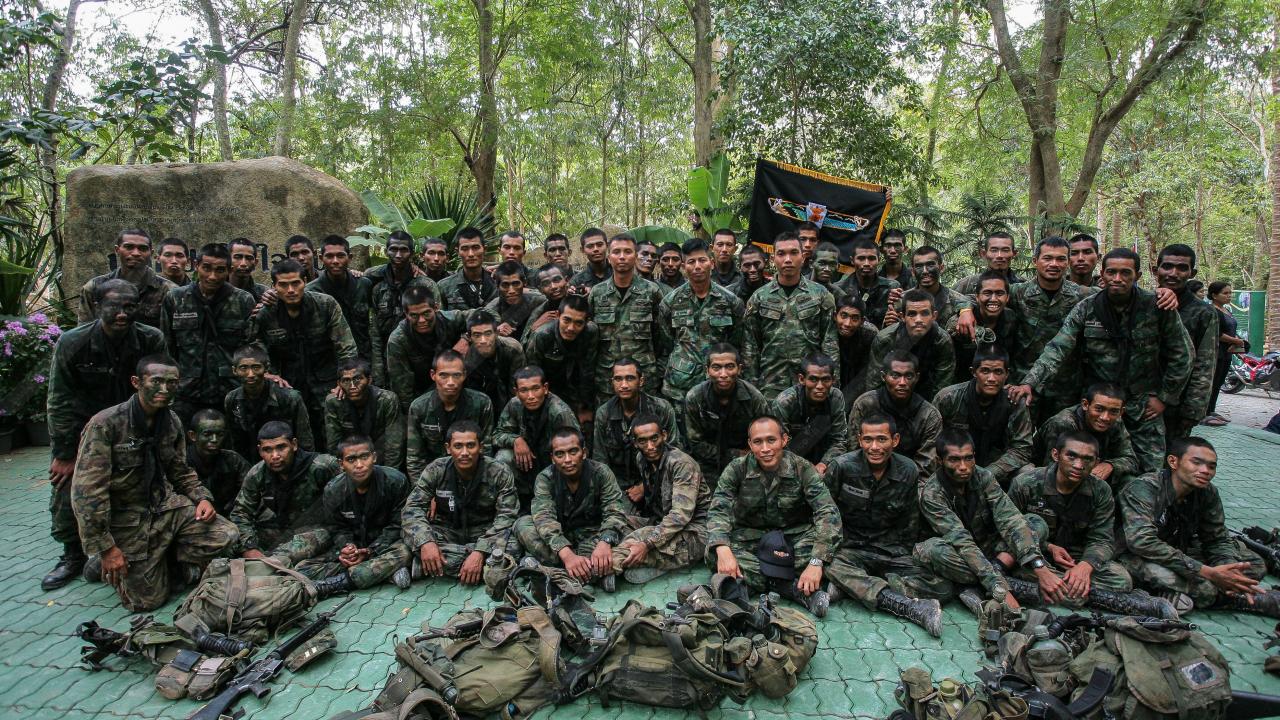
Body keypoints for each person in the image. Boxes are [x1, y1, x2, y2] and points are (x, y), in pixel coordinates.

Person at [71, 355, 238, 611]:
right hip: (126, 519)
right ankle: (105, 560)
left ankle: (163, 558)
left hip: (164, 507)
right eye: (156, 381)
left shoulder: (171, 421)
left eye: (172, 383)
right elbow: (87, 493)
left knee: (227, 535)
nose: (165, 389)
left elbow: (180, 470)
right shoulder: (105, 424)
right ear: (137, 382)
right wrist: (106, 548)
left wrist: (202, 498)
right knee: (147, 601)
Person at [1011, 248, 1193, 473]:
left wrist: (1165, 397)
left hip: (1141, 405)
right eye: (1111, 272)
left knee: (1150, 471)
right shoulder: (1087, 307)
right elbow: (1057, 349)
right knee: (1081, 465)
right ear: (1103, 274)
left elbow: (1183, 355)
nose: (1117, 278)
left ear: (1137, 275)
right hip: (1097, 406)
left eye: (1125, 273)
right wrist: (1029, 382)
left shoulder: (1157, 306)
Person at [42, 282, 167, 591]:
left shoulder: (150, 339)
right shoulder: (74, 342)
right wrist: (64, 453)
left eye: (129, 307)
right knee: (70, 485)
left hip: (134, 425)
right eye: (114, 307)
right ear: (97, 307)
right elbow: (59, 400)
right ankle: (72, 553)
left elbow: (161, 385)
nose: (122, 313)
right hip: (85, 429)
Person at [1117, 437, 1280, 617]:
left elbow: (1217, 539)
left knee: (1254, 564)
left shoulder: (1207, 492)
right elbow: (1141, 542)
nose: (1205, 471)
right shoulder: (1144, 488)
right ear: (1173, 462)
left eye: (1211, 466)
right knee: (1204, 588)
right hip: (1134, 556)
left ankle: (1181, 592)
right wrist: (1205, 571)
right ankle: (1236, 600)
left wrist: (1229, 570)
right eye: (1196, 463)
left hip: (1177, 552)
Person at [823, 415, 950, 636]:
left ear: (895, 440)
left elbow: (910, 520)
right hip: (851, 548)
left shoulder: (908, 470)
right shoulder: (841, 467)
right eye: (868, 440)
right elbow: (825, 513)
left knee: (944, 587)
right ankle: (910, 607)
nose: (874, 447)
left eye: (882, 439)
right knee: (830, 565)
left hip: (890, 551)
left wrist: (904, 554)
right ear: (859, 440)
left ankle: (854, 586)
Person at [705, 415, 842, 617]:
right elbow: (719, 509)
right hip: (750, 538)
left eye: (771, 440)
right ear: (750, 444)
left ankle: (746, 585)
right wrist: (723, 549)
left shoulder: (802, 468)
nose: (765, 449)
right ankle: (793, 588)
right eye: (758, 442)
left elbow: (827, 512)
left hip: (792, 538)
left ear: (784, 440)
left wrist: (816, 562)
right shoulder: (736, 469)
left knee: (829, 553)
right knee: (713, 553)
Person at [914, 429, 1060, 611]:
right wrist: (999, 588)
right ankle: (1001, 579)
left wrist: (1038, 564)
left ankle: (992, 572)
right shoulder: (932, 494)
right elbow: (962, 542)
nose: (963, 466)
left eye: (968, 458)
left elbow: (1009, 518)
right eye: (954, 460)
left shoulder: (984, 477)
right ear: (940, 461)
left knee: (1035, 521)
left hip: (989, 548)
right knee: (933, 550)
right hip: (958, 552)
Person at [1007, 431, 1137, 603]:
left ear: (1096, 462)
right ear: (1056, 455)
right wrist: (1048, 547)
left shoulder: (1100, 491)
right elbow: (1007, 530)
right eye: (1071, 456)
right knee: (1028, 532)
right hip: (1033, 554)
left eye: (1087, 459)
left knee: (1122, 580)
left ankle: (1057, 587)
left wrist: (1085, 566)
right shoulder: (1026, 482)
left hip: (1073, 556)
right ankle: (1068, 589)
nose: (1079, 465)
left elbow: (1102, 539)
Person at [254, 258, 358, 448]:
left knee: (335, 434)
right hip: (287, 383)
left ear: (305, 281)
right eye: (283, 285)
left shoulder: (325, 305)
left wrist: (344, 379)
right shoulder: (266, 313)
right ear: (274, 286)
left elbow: (346, 346)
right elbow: (256, 347)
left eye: (296, 283)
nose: (290, 290)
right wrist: (267, 373)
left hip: (326, 381)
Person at [402, 421, 520, 584]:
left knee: (514, 546)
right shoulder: (436, 469)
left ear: (481, 447)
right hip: (447, 531)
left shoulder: (499, 472)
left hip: (484, 531)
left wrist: (480, 551)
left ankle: (427, 566)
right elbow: (412, 509)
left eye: (470, 445)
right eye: (458, 446)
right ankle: (489, 570)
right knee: (412, 539)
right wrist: (426, 542)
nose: (465, 452)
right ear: (448, 448)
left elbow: (506, 517)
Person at [295, 435, 413, 594]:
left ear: (374, 457)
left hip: (385, 545)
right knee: (303, 568)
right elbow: (336, 527)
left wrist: (371, 551)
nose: (359, 465)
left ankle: (339, 583)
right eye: (351, 460)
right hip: (357, 544)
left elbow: (398, 524)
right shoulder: (333, 490)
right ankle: (382, 573)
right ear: (341, 464)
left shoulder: (395, 481)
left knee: (406, 552)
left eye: (364, 457)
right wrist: (348, 548)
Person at [514, 428, 628, 591]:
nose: (567, 460)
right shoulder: (545, 478)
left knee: (628, 533)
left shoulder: (601, 472)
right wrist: (566, 554)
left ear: (584, 452)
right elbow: (544, 518)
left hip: (592, 535)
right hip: (560, 538)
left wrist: (605, 542)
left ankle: (546, 571)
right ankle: (593, 573)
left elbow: (615, 511)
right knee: (523, 525)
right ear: (552, 458)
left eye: (573, 452)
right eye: (560, 454)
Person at [610, 414, 711, 584]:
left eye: (654, 438)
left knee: (638, 540)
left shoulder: (681, 464)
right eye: (643, 441)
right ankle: (617, 562)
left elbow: (680, 516)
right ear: (635, 443)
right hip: (661, 522)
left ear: (664, 435)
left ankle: (597, 570)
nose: (650, 446)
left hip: (695, 532)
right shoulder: (641, 459)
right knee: (618, 522)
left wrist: (647, 544)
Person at [161, 242, 256, 424]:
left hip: (230, 391)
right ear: (196, 266)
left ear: (229, 270)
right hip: (187, 392)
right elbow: (167, 348)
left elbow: (251, 346)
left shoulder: (243, 300)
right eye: (206, 268)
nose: (212, 276)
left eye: (220, 270)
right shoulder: (176, 298)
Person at [1006, 236, 1095, 425]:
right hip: (1023, 383)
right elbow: (980, 297)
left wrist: (1160, 292)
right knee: (1019, 437)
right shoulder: (1016, 293)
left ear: (1068, 262)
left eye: (1061, 259)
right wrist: (965, 310)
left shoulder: (1083, 295)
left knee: (1061, 439)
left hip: (1065, 388)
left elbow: (1119, 296)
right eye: (1047, 258)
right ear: (1035, 260)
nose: (1054, 264)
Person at [742, 231, 839, 397]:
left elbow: (830, 344)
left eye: (794, 253)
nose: (788, 259)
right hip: (770, 384)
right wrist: (752, 389)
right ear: (773, 259)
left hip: (811, 384)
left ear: (803, 257)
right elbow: (750, 347)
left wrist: (832, 387)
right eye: (781, 254)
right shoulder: (759, 297)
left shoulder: (821, 295)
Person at [657, 237, 745, 413]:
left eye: (702, 260)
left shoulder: (731, 301)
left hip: (719, 383)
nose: (697, 266)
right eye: (691, 262)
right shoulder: (670, 302)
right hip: (679, 386)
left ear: (711, 263)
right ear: (684, 266)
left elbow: (736, 341)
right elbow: (666, 343)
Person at [230, 421, 342, 557]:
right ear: (260, 451)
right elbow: (241, 513)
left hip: (322, 528)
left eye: (281, 447)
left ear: (294, 445)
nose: (275, 456)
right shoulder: (257, 473)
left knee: (283, 555)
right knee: (228, 540)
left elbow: (351, 498)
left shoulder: (322, 466)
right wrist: (249, 547)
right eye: (267, 450)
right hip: (283, 527)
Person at [930, 346, 1034, 488]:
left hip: (997, 467)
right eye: (985, 371)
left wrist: (988, 473)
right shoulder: (948, 398)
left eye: (998, 372)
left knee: (1027, 473)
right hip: (955, 465)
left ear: (1007, 374)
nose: (991, 378)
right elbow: (931, 442)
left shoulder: (1014, 401)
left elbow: (1022, 449)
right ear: (973, 372)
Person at [587, 232, 667, 399]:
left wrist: (659, 372)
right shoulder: (597, 293)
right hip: (607, 379)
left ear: (636, 256)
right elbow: (591, 341)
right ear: (609, 257)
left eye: (628, 251)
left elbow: (663, 338)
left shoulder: (652, 291)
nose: (622, 257)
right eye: (616, 252)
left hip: (644, 377)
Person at [493, 366, 582, 511]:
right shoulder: (514, 405)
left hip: (555, 466)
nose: (530, 396)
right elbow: (497, 435)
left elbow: (576, 449)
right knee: (503, 457)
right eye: (524, 390)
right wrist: (516, 440)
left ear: (545, 388)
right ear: (516, 392)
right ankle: (510, 507)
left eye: (535, 389)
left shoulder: (559, 412)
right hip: (527, 464)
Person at [683, 344, 776, 483]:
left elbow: (769, 435)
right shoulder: (695, 397)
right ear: (707, 370)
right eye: (716, 368)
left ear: (739, 369)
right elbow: (695, 443)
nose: (723, 374)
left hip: (748, 462)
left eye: (730, 367)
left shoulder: (753, 397)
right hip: (707, 463)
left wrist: (750, 456)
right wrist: (733, 455)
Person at [1154, 244, 1219, 440]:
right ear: (1156, 269)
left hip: (1178, 405)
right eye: (1167, 266)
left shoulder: (1203, 312)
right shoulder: (1144, 303)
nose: (1173, 273)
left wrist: (1193, 409)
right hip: (1141, 400)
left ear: (1192, 273)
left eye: (1182, 268)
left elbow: (1205, 364)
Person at [593, 358, 683, 492]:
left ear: (641, 381)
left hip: (659, 480)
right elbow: (600, 460)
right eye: (618, 379)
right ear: (612, 382)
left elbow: (675, 453)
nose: (624, 385)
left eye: (630, 378)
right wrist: (613, 491)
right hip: (617, 484)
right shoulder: (604, 413)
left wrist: (645, 485)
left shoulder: (661, 409)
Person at [848, 350, 943, 475]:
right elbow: (853, 451)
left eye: (908, 376)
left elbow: (926, 466)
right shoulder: (865, 404)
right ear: (883, 377)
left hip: (910, 478)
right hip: (866, 474)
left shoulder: (929, 415)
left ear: (917, 377)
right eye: (895, 376)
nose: (902, 382)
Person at [405, 350, 494, 482]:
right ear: (433, 375)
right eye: (444, 375)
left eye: (456, 375)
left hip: (471, 472)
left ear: (464, 375)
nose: (451, 382)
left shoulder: (481, 403)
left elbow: (485, 449)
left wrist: (479, 483)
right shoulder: (419, 407)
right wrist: (423, 489)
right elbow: (415, 457)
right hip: (434, 476)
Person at [1033, 383, 1139, 489]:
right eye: (1099, 409)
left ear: (1121, 412)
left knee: (1130, 481)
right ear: (1085, 405)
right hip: (1058, 474)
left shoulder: (1115, 422)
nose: (1105, 417)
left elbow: (1131, 460)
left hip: (1092, 472)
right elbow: (1052, 469)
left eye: (1114, 411)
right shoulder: (1063, 423)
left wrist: (1110, 466)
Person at [367, 230, 439, 383]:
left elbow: (439, 324)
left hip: (421, 357)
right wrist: (377, 369)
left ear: (412, 253)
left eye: (404, 250)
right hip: (388, 358)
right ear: (386, 252)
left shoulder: (425, 285)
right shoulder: (378, 287)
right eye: (393, 249)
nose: (398, 255)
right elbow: (375, 332)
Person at [385, 285, 466, 418]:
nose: (421, 320)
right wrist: (416, 416)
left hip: (456, 381)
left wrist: (466, 339)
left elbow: (486, 315)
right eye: (414, 315)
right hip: (422, 392)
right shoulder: (398, 340)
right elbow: (403, 388)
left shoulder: (451, 318)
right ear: (406, 315)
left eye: (426, 313)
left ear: (436, 308)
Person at [224, 344, 315, 459]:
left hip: (285, 459)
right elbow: (235, 442)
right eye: (243, 368)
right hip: (251, 461)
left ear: (266, 368)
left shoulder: (289, 398)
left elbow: (305, 441)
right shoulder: (232, 399)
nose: (250, 374)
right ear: (234, 370)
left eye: (256, 367)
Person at [864, 288, 955, 401]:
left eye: (924, 313)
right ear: (902, 317)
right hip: (891, 395)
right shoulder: (885, 339)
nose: (918, 320)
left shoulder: (942, 341)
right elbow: (875, 383)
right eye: (912, 314)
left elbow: (942, 386)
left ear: (934, 316)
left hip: (926, 396)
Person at [78, 228, 176, 328]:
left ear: (151, 253)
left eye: (143, 248)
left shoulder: (170, 291)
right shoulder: (94, 287)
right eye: (129, 247)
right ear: (117, 250)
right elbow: (84, 330)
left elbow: (176, 333)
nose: (136, 253)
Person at [523, 294, 598, 425]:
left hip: (575, 388)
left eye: (578, 323)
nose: (571, 328)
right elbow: (533, 375)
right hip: (549, 388)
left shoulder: (591, 332)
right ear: (558, 315)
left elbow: (588, 370)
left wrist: (585, 405)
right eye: (566, 320)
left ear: (586, 322)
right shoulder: (542, 335)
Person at [774, 353, 850, 475]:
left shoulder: (835, 397)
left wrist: (824, 463)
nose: (820, 386)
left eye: (826, 380)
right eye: (813, 379)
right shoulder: (785, 402)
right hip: (792, 460)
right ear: (802, 379)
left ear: (833, 380)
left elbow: (839, 440)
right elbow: (778, 444)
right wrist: (805, 467)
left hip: (824, 459)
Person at [324, 358, 404, 469]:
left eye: (357, 379)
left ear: (369, 380)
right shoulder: (334, 402)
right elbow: (334, 445)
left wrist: (389, 473)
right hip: (351, 458)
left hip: (380, 455)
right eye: (346, 381)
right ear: (339, 383)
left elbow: (394, 446)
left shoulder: (386, 400)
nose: (352, 386)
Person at [307, 236, 374, 361]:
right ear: (321, 258)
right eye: (329, 256)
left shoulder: (364, 285)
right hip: (329, 361)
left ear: (350, 257)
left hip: (364, 358)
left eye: (341, 256)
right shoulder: (311, 291)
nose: (335, 261)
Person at [950, 272, 1018, 376]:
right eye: (987, 293)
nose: (993, 299)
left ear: (1007, 297)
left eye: (999, 294)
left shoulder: (1011, 318)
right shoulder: (961, 322)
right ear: (977, 297)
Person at [186, 408, 251, 516]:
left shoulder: (233, 461)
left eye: (220, 434)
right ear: (192, 436)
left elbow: (253, 491)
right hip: (191, 517)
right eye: (207, 434)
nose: (214, 440)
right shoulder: (180, 463)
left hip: (231, 516)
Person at [905, 245, 976, 342]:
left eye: (930, 265)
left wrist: (966, 311)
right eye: (919, 266)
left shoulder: (958, 300)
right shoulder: (902, 300)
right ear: (913, 272)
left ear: (941, 268)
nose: (925, 271)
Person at [461, 310, 526, 412]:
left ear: (496, 333)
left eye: (488, 334)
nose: (483, 340)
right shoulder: (465, 357)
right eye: (477, 335)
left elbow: (517, 388)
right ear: (470, 337)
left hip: (508, 395)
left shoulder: (512, 349)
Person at [836, 238, 900, 329]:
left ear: (879, 260)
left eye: (871, 258)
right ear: (852, 260)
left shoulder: (892, 288)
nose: (866, 263)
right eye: (861, 258)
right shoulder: (839, 289)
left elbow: (900, 319)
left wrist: (893, 320)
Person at [1205, 281, 1245, 424]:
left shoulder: (1226, 310)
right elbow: (1217, 333)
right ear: (1214, 295)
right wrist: (1236, 341)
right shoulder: (1212, 311)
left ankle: (1212, 410)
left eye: (1230, 293)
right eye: (1225, 293)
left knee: (1219, 382)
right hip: (1215, 352)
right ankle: (1205, 412)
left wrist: (1237, 344)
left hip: (1227, 352)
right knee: (1212, 382)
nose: (1229, 296)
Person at [481, 260, 545, 340]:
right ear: (497, 286)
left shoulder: (538, 301)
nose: (511, 291)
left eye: (516, 284)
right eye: (505, 285)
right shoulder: (490, 311)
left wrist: (537, 324)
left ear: (524, 283)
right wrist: (495, 333)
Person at [438, 228, 496, 310]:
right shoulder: (444, 286)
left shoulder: (498, 282)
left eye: (475, 247)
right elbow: (439, 316)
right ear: (458, 252)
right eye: (465, 249)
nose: (471, 254)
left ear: (484, 249)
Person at [835, 295, 877, 401]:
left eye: (854, 318)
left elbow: (871, 371)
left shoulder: (870, 334)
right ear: (835, 316)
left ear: (862, 321)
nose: (847, 324)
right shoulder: (826, 330)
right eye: (843, 316)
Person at [953, 231, 1022, 294]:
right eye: (994, 250)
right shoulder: (966, 285)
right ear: (983, 254)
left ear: (1014, 254)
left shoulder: (1023, 285)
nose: (999, 255)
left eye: (1005, 250)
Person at [523, 263, 571, 340]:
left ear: (567, 280)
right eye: (546, 283)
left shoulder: (581, 301)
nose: (553, 287)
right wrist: (535, 326)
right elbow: (523, 342)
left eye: (557, 280)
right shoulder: (539, 312)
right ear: (540, 289)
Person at [227, 237, 270, 302]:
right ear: (227, 260)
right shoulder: (215, 290)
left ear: (255, 262)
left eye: (249, 258)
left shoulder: (264, 294)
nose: (243, 264)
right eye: (237, 257)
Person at [569, 227, 611, 292]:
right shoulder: (577, 281)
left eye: (599, 245)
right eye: (590, 246)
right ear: (582, 250)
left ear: (607, 245)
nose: (595, 249)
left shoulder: (619, 273)